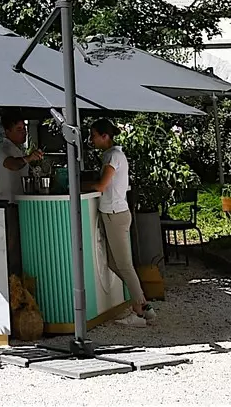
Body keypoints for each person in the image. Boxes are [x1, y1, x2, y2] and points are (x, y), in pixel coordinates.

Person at [87, 118, 153, 325]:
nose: (91, 139)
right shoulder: (112, 155)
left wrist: (80, 184)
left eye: (94, 135)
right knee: (115, 263)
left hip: (115, 214)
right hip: (115, 213)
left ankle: (142, 309)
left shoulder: (113, 156)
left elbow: (101, 186)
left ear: (105, 136)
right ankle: (141, 304)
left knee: (124, 265)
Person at [0, 116, 41, 202]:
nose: (24, 132)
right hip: (10, 202)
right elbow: (12, 165)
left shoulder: (19, 150)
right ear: (7, 132)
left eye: (24, 128)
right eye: (19, 129)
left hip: (21, 201)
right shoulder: (3, 149)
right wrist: (29, 158)